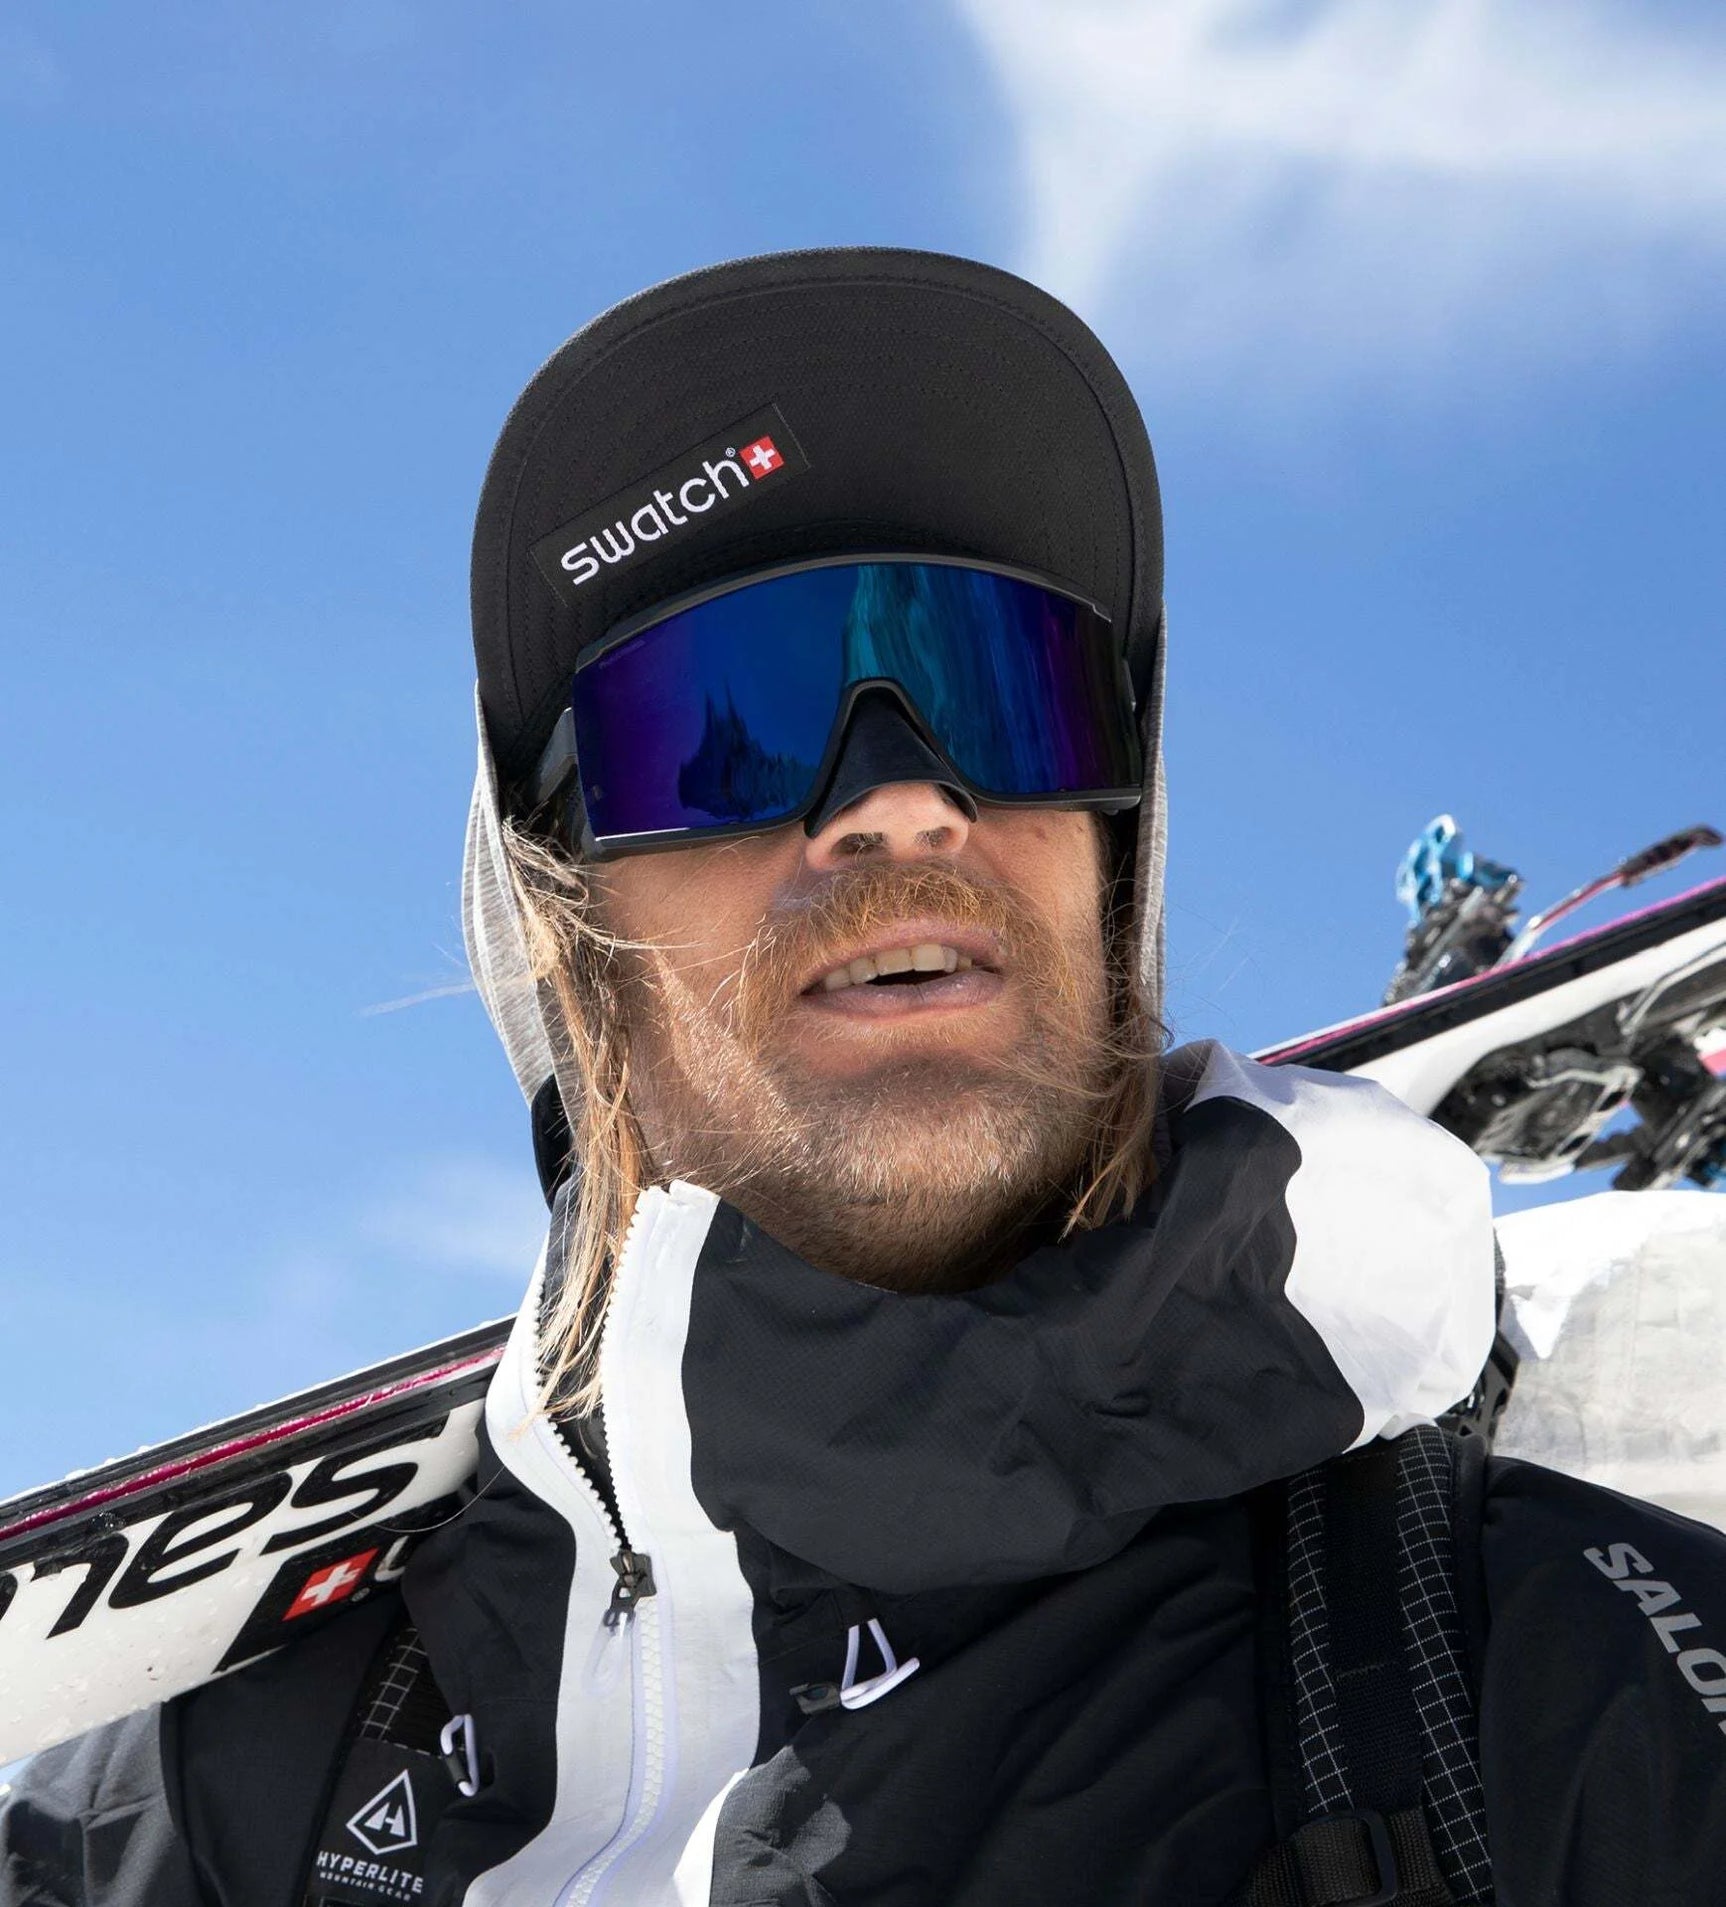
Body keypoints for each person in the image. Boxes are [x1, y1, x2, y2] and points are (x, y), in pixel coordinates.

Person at [5, 246, 1726, 1907]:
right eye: (724, 719)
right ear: (559, 934)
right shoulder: (206, 1809)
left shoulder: (1562, 1688)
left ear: (1108, 866)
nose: (900, 800)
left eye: (1011, 691)